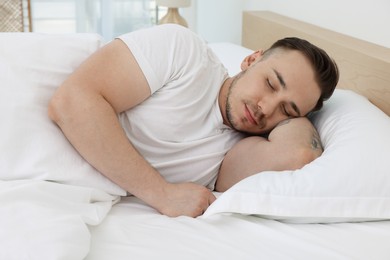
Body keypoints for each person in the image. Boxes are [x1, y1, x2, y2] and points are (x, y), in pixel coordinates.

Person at [48, 24, 339, 218]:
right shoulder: (185, 53)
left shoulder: (234, 152)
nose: (265, 108)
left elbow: (298, 154)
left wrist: (301, 117)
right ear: (251, 60)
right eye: (271, 84)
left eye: (286, 111)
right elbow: (71, 102)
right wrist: (162, 194)